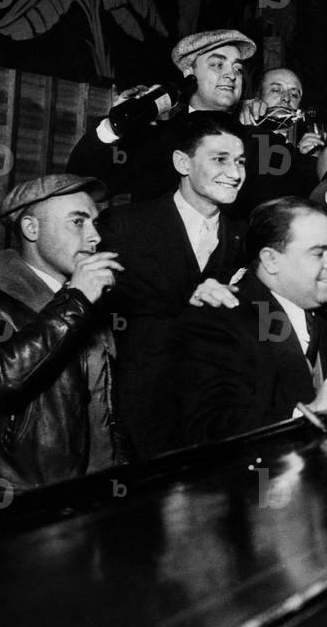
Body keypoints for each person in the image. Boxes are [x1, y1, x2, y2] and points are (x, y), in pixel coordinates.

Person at [169, 197, 327, 447]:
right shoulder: (218, 320)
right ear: (271, 260)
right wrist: (306, 415)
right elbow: (211, 427)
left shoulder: (325, 317)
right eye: (318, 253)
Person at [95, 111, 249, 459]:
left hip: (218, 421)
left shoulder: (246, 236)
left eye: (240, 161)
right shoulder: (125, 226)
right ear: (182, 162)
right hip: (137, 423)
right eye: (220, 159)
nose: (235, 173)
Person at [0, 174, 125, 500]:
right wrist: (77, 300)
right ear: (32, 229)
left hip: (94, 491)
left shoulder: (90, 295)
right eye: (78, 222)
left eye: (95, 222)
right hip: (23, 498)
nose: (95, 236)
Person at [67, 29, 258, 203]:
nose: (231, 75)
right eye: (217, 64)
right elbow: (81, 185)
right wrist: (112, 127)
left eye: (238, 69)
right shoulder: (152, 137)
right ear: (189, 75)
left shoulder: (255, 138)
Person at [231, 67, 326, 218]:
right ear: (257, 96)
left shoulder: (302, 146)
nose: (286, 98)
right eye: (276, 90)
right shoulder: (239, 132)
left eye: (294, 94)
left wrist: (308, 160)